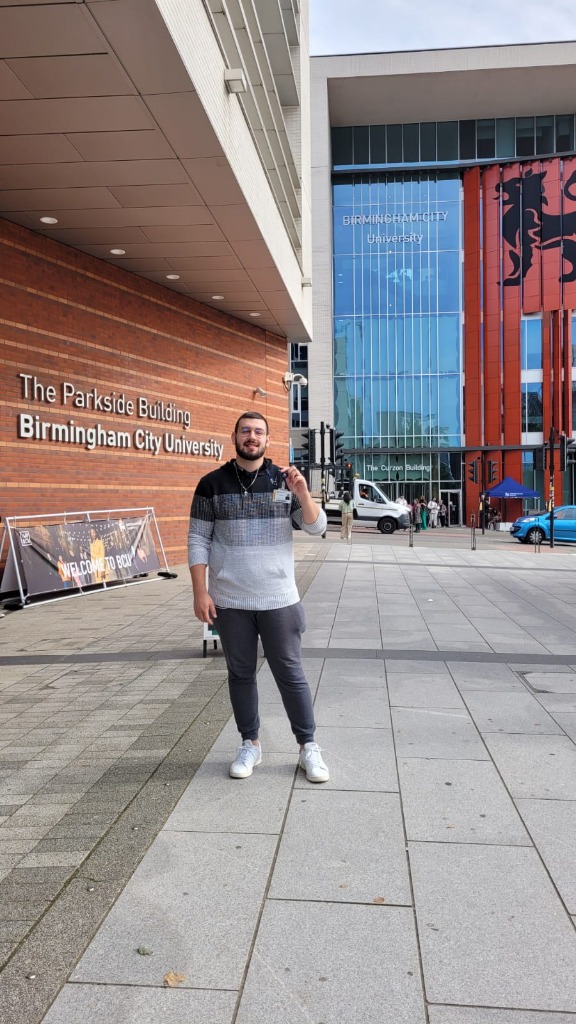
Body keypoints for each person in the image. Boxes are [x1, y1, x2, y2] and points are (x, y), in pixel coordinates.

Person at [188, 411, 330, 783]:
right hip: (230, 600)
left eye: (259, 432)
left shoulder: (284, 481)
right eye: (245, 431)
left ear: (268, 439)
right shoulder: (211, 485)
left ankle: (308, 746)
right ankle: (250, 743)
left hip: (279, 599)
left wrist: (302, 492)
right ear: (234, 436)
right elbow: (198, 539)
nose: (252, 437)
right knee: (240, 674)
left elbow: (316, 527)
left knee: (290, 673)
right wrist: (200, 591)